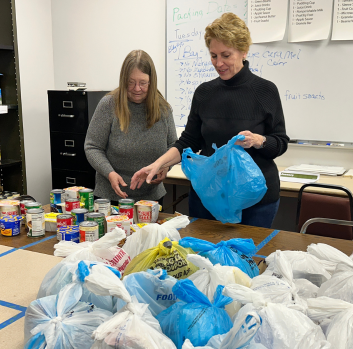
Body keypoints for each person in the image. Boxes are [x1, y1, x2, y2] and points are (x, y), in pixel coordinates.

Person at [130, 13, 289, 228]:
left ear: (244, 51)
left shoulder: (265, 91)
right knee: (203, 259)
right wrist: (157, 164)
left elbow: (280, 142)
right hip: (208, 196)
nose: (219, 63)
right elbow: (188, 141)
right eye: (213, 56)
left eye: (226, 55)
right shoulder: (204, 93)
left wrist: (260, 141)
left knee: (250, 259)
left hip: (255, 200)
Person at [84, 50, 177, 206]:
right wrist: (110, 173)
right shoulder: (109, 105)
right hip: (111, 197)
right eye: (131, 82)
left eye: (142, 83)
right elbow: (92, 147)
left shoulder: (163, 108)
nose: (136, 88)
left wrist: (166, 167)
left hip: (150, 199)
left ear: (151, 82)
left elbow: (173, 146)